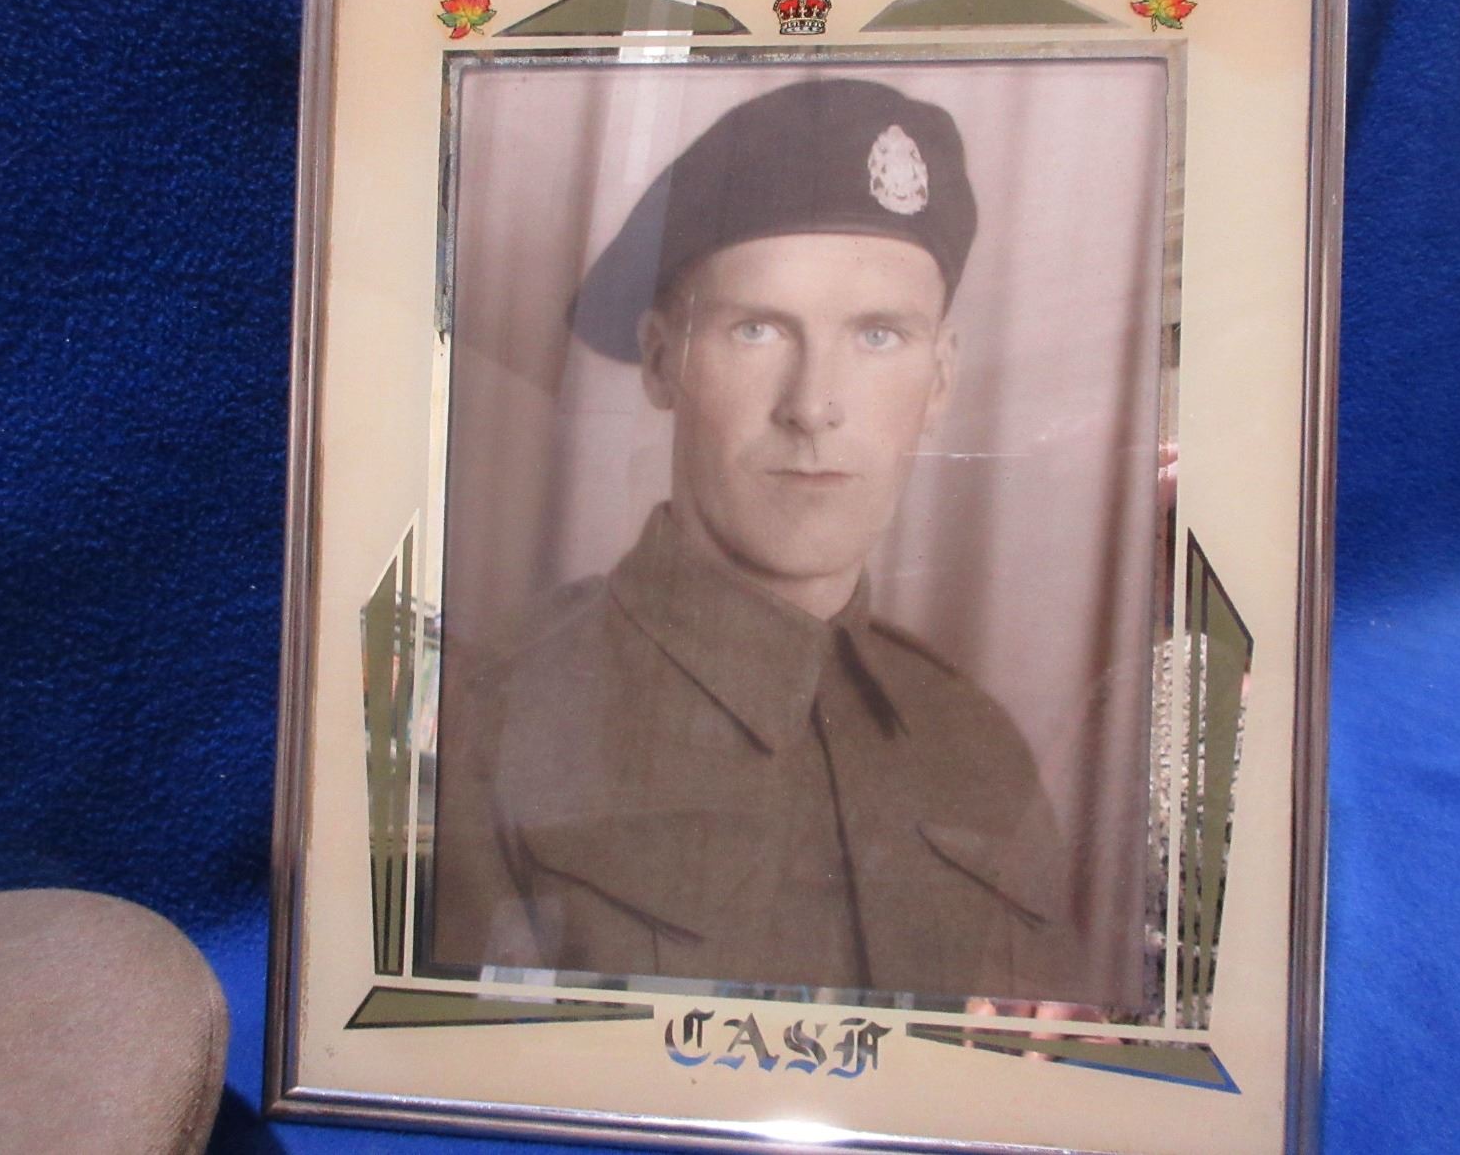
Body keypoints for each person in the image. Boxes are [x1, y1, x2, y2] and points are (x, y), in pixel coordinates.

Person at [428, 78, 1084, 1004]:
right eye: (758, 328)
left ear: (940, 381)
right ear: (663, 360)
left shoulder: (984, 752)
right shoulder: (492, 722)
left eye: (879, 335)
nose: (813, 405)